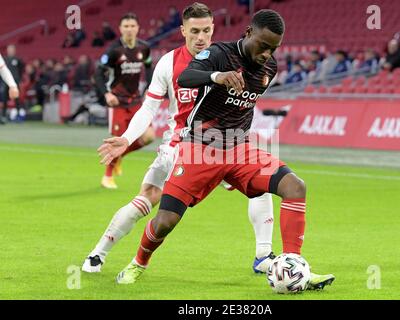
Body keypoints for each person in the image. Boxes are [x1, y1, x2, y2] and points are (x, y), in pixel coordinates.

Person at [113, 9, 335, 289]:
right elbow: (187, 77)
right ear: (248, 34)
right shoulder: (220, 53)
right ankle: (138, 263)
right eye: (263, 46)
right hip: (200, 149)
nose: (267, 53)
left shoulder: (269, 68)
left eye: (273, 48)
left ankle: (294, 267)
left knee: (295, 187)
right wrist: (217, 76)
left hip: (239, 149)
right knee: (165, 221)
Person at [82, 2, 277, 276]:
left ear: (213, 30)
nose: (201, 37)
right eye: (194, 31)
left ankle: (263, 256)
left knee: (258, 183)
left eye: (206, 31)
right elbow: (149, 107)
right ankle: (98, 254)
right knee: (148, 199)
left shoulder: (227, 57)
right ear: (183, 30)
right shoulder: (169, 63)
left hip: (218, 145)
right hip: (181, 146)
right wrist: (126, 139)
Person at [94, 12, 155, 189]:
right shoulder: (114, 50)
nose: (129, 29)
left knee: (149, 136)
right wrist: (107, 94)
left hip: (136, 100)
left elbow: (150, 67)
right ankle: (107, 177)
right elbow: (98, 72)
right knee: (116, 138)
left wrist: (149, 89)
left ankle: (120, 156)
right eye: (126, 26)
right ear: (120, 29)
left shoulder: (144, 48)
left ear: (138, 28)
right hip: (117, 102)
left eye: (132, 26)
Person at [0, 45, 23, 123]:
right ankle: (3, 116)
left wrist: (13, 84)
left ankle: (18, 115)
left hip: (13, 81)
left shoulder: (18, 59)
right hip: (4, 82)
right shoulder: (5, 58)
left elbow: (21, 70)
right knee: (4, 99)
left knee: (16, 99)